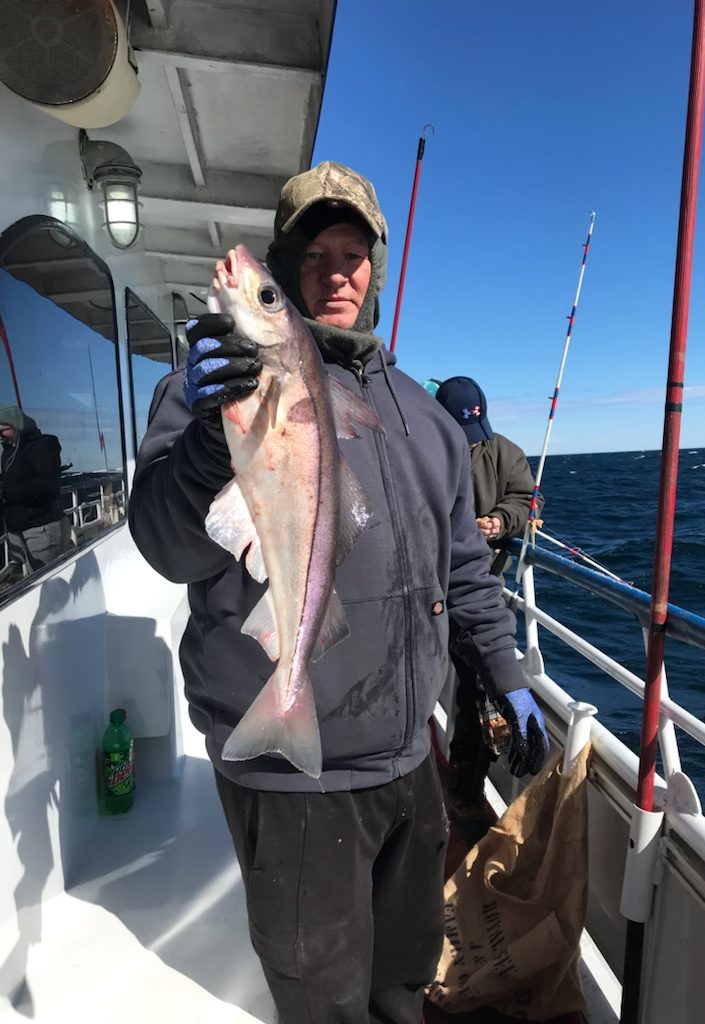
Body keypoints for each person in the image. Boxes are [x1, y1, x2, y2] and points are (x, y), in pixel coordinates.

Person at [128, 161, 549, 1024]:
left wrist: (508, 673)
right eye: (313, 253)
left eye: (353, 253)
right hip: (293, 785)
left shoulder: (424, 417)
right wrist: (214, 437)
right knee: (321, 1003)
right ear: (284, 269)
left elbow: (464, 566)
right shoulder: (210, 393)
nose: (336, 271)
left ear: (377, 269)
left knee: (400, 983)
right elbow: (166, 548)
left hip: (408, 763)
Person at [434, 376, 546, 844]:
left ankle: (465, 780)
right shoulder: (424, 446)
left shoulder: (505, 452)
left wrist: (499, 521)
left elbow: (525, 499)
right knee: (443, 678)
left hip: (480, 587)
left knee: (476, 684)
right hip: (429, 588)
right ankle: (455, 778)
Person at [0, 407, 71, 575]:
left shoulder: (43, 446)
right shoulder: (9, 451)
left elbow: (47, 484)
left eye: (3, 430)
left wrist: (8, 492)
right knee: (35, 579)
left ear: (18, 426)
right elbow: (14, 478)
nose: (0, 436)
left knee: (46, 584)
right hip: (21, 528)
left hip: (42, 530)